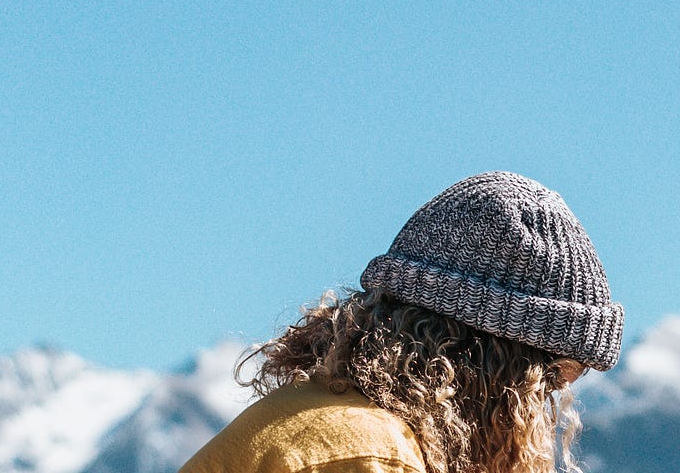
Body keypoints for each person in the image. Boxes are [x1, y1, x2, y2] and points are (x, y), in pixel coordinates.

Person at [179, 171, 624, 473]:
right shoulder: (371, 458)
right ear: (501, 376)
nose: (545, 418)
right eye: (551, 383)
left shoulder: (321, 421)